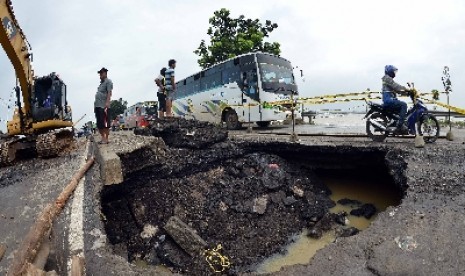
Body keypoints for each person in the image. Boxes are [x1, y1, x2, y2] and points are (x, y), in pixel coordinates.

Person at [382, 65, 411, 134]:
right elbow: (396, 87)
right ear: (390, 71)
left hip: (391, 99)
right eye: (394, 71)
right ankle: (399, 127)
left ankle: (396, 123)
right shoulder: (387, 78)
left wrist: (407, 94)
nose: (395, 73)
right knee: (404, 105)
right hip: (389, 100)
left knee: (400, 111)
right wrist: (406, 89)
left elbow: (397, 91)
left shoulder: (388, 79)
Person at [94, 67, 113, 144]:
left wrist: (107, 102)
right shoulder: (101, 84)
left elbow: (109, 92)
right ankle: (103, 138)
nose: (100, 75)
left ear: (105, 73)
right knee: (99, 124)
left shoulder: (108, 82)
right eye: (100, 74)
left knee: (105, 123)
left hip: (103, 106)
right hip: (98, 106)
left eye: (101, 73)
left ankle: (106, 139)